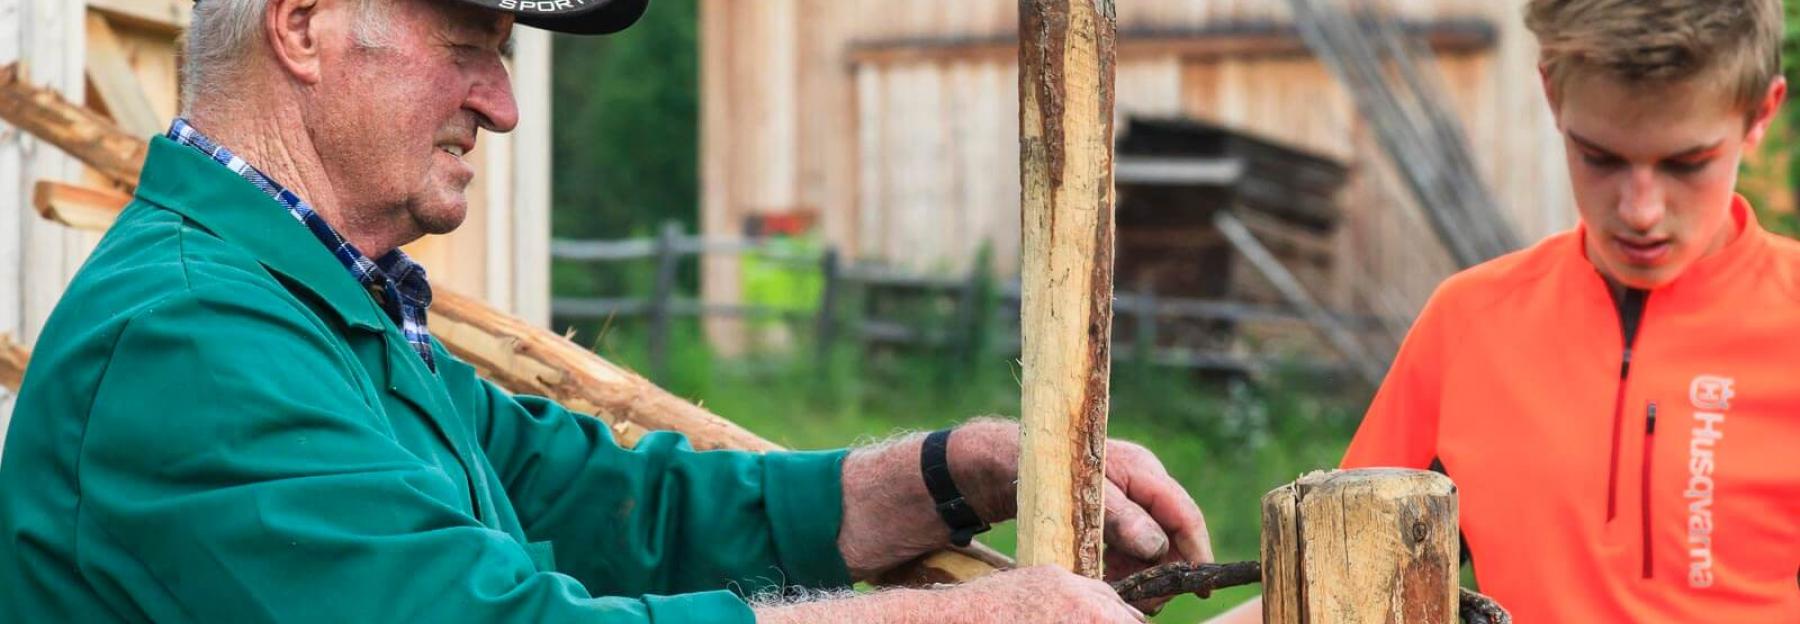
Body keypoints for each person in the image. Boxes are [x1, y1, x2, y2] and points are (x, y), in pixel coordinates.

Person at [0, 1, 1213, 622]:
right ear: (304, 24)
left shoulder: (314, 315)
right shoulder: (190, 342)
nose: (505, 103)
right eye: (472, 44)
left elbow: (607, 507)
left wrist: (954, 470)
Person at [1211, 0, 1800, 621]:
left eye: (1686, 163)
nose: (1640, 210)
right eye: (1600, 157)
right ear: (1551, 92)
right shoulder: (1469, 322)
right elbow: (1337, 581)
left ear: (1760, 112)